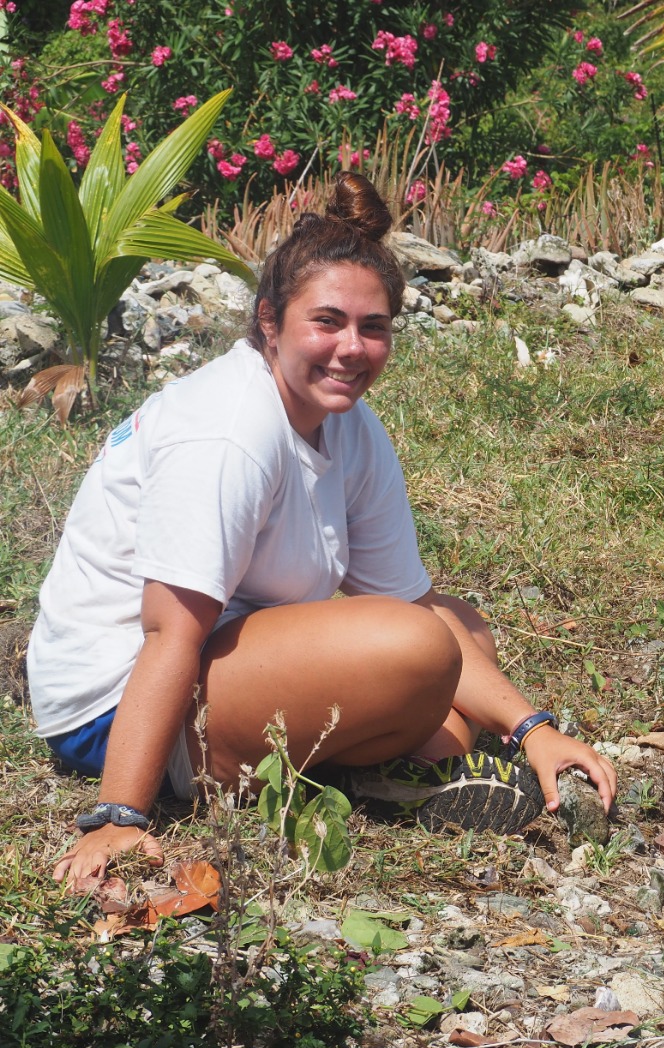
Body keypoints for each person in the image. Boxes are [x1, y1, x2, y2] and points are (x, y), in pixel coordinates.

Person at [29, 173, 617, 893]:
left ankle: (378, 773)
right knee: (421, 651)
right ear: (270, 321)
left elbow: (416, 601)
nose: (351, 348)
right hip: (114, 703)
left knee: (460, 628)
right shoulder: (229, 431)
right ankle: (365, 771)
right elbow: (168, 633)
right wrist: (119, 815)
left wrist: (534, 729)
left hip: (223, 658)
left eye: (374, 328)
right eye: (327, 322)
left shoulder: (349, 426)